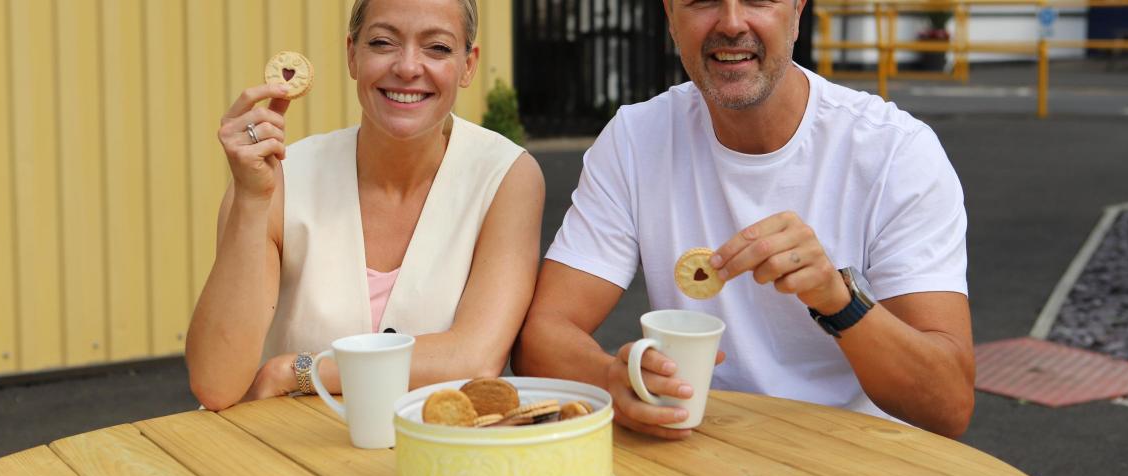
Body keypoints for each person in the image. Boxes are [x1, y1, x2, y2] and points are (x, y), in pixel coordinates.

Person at [512, 0, 974, 439]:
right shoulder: (636, 139)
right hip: (701, 446)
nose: (731, 22)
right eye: (703, 1)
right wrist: (614, 378)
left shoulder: (894, 152)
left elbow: (949, 404)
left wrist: (839, 300)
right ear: (670, 16)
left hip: (857, 458)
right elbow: (540, 336)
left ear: (797, 11)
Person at [187, 0, 544, 410]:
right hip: (282, 443)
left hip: (431, 445)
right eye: (382, 42)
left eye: (438, 48)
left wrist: (295, 371)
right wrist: (251, 199)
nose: (407, 67)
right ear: (352, 55)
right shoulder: (277, 179)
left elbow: (474, 359)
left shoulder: (505, 177)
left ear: (468, 65)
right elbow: (215, 383)